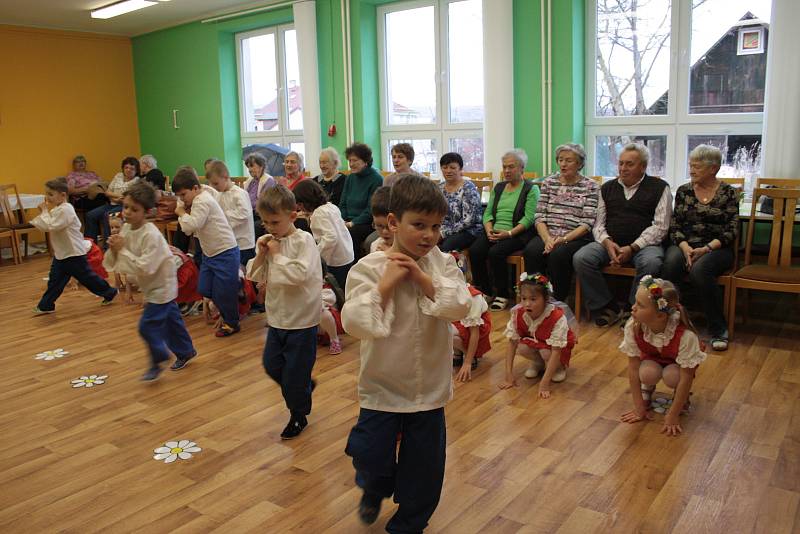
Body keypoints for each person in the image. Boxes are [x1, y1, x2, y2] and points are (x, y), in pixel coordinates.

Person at [341, 174, 471, 532]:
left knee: (424, 468)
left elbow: (463, 306)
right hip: (382, 386)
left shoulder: (442, 264)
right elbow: (353, 321)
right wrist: (384, 287)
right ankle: (373, 488)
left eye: (436, 226)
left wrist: (423, 281)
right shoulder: (368, 269)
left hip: (428, 389)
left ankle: (409, 523)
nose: (429, 235)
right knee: (369, 455)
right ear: (394, 223)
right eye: (419, 225)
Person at [245, 185, 323, 440]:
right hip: (277, 318)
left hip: (301, 320)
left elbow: (299, 275)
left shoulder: (304, 241)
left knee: (292, 377)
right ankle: (302, 387)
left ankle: (298, 414)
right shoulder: (271, 242)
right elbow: (254, 276)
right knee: (272, 365)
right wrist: (261, 255)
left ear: (293, 215)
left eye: (275, 222)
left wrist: (277, 256)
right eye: (266, 222)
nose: (270, 227)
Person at [103, 182, 197, 381]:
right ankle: (186, 350)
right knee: (172, 322)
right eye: (125, 207)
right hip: (152, 284)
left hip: (161, 285)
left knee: (147, 327)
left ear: (146, 212)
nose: (127, 212)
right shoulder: (127, 228)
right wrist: (114, 248)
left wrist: (121, 250)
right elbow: (119, 259)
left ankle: (159, 357)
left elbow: (146, 267)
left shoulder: (151, 235)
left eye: (134, 209)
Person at [573, 143, 672, 327]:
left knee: (652, 262)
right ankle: (607, 307)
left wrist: (633, 247)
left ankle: (633, 308)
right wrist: (607, 242)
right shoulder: (607, 188)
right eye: (620, 163)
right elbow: (598, 223)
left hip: (645, 246)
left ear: (643, 166)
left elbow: (660, 227)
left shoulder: (660, 188)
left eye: (629, 164)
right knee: (582, 257)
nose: (623, 168)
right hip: (610, 243)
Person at [662, 145, 738, 352]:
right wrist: (686, 247)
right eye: (690, 165)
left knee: (700, 270)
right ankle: (668, 320)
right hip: (684, 243)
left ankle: (717, 328)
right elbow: (675, 225)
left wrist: (705, 249)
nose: (691, 170)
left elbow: (731, 230)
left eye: (696, 166)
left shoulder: (728, 193)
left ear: (713, 168)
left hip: (716, 248)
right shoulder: (685, 191)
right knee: (670, 263)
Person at [619, 276, 706, 436]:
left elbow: (687, 376)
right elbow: (633, 368)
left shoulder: (686, 336)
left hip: (676, 366)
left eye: (640, 305)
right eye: (635, 302)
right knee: (646, 374)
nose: (633, 308)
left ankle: (682, 398)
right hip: (652, 359)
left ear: (660, 315)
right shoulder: (633, 326)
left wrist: (672, 415)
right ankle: (647, 390)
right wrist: (639, 408)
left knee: (673, 377)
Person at [523, 144, 599, 301]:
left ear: (579, 163)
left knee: (558, 255)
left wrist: (563, 239)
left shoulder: (591, 186)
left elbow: (587, 223)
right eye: (560, 159)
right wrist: (547, 239)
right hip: (548, 234)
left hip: (575, 237)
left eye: (569, 160)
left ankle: (558, 300)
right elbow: (539, 216)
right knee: (532, 251)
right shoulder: (549, 183)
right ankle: (536, 297)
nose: (563, 164)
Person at [172, 166, 242, 337]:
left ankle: (232, 322)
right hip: (210, 253)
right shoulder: (200, 195)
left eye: (183, 195)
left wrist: (180, 212)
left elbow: (189, 227)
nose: (181, 199)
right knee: (204, 288)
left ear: (195, 188)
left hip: (224, 251)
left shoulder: (201, 201)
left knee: (222, 292)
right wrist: (183, 204)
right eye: (179, 196)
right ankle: (232, 295)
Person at [31, 179, 118, 314]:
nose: (47, 197)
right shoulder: (57, 209)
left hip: (73, 253)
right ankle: (46, 305)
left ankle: (110, 292)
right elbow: (49, 224)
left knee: (88, 278)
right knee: (55, 281)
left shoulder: (66, 210)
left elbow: (51, 226)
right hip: (62, 253)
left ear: (63, 195)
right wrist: (46, 211)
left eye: (51, 194)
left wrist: (43, 211)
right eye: (46, 193)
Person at [468, 149, 539, 311]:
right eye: (504, 167)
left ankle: (502, 293)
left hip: (517, 233)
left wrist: (508, 233)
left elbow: (529, 219)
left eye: (511, 167)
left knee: (496, 253)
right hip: (494, 231)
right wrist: (488, 230)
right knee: (476, 250)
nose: (506, 171)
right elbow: (487, 213)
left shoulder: (531, 189)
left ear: (522, 168)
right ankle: (484, 290)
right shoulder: (499, 188)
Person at [499, 273, 576, 399]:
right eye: (524, 299)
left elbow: (556, 350)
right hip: (537, 342)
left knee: (547, 352)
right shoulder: (518, 313)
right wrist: (508, 375)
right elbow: (512, 343)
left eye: (533, 299)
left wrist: (544, 384)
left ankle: (559, 368)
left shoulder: (556, 317)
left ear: (545, 299)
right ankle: (538, 363)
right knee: (521, 347)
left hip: (553, 348)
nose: (527, 304)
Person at [293, 179, 354, 290]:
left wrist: (316, 254)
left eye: (300, 204)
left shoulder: (318, 214)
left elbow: (331, 237)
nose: (299, 208)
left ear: (306, 201)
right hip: (346, 254)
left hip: (336, 260)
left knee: (337, 290)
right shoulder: (330, 206)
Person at [206, 161, 255, 266]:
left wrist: (224, 215)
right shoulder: (219, 195)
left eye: (216, 183)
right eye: (211, 184)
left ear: (226, 177)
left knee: (245, 273)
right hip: (230, 242)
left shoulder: (239, 193)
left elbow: (244, 214)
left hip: (244, 243)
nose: (214, 187)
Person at [340, 142, 384, 257]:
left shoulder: (376, 179)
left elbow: (371, 210)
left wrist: (352, 223)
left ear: (365, 161)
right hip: (348, 221)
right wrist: (342, 220)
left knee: (350, 234)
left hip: (365, 223)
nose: (351, 164)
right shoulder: (350, 178)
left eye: (355, 160)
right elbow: (343, 203)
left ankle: (353, 266)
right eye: (349, 160)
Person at [84, 156, 140, 243]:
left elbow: (128, 198)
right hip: (111, 203)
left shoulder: (136, 181)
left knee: (109, 215)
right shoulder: (118, 176)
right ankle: (90, 244)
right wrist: (118, 197)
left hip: (124, 206)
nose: (128, 170)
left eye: (132, 169)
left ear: (136, 171)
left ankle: (108, 246)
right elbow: (107, 192)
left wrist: (116, 198)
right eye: (126, 167)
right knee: (90, 215)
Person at [437, 152, 483, 252]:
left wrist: (443, 233)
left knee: (447, 246)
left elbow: (468, 221)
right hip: (444, 229)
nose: (448, 171)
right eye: (445, 167)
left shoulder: (468, 188)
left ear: (460, 169)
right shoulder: (439, 188)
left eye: (452, 167)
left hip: (469, 230)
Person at [452, 284, 492, 382]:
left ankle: (469, 354)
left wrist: (468, 362)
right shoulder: (450, 291)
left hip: (476, 329)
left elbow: (475, 332)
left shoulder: (473, 296)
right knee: (443, 329)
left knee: (446, 332)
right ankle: (458, 351)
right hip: (461, 323)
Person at [244, 153, 278, 240]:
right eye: (248, 167)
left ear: (261, 166)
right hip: (249, 212)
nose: (250, 169)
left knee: (253, 227)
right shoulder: (251, 181)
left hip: (262, 214)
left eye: (252, 166)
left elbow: (264, 202)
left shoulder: (268, 181)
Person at [369, 186, 393, 253]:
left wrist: (389, 253)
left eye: (389, 226)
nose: (384, 232)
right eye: (379, 226)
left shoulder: (410, 248)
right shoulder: (375, 245)